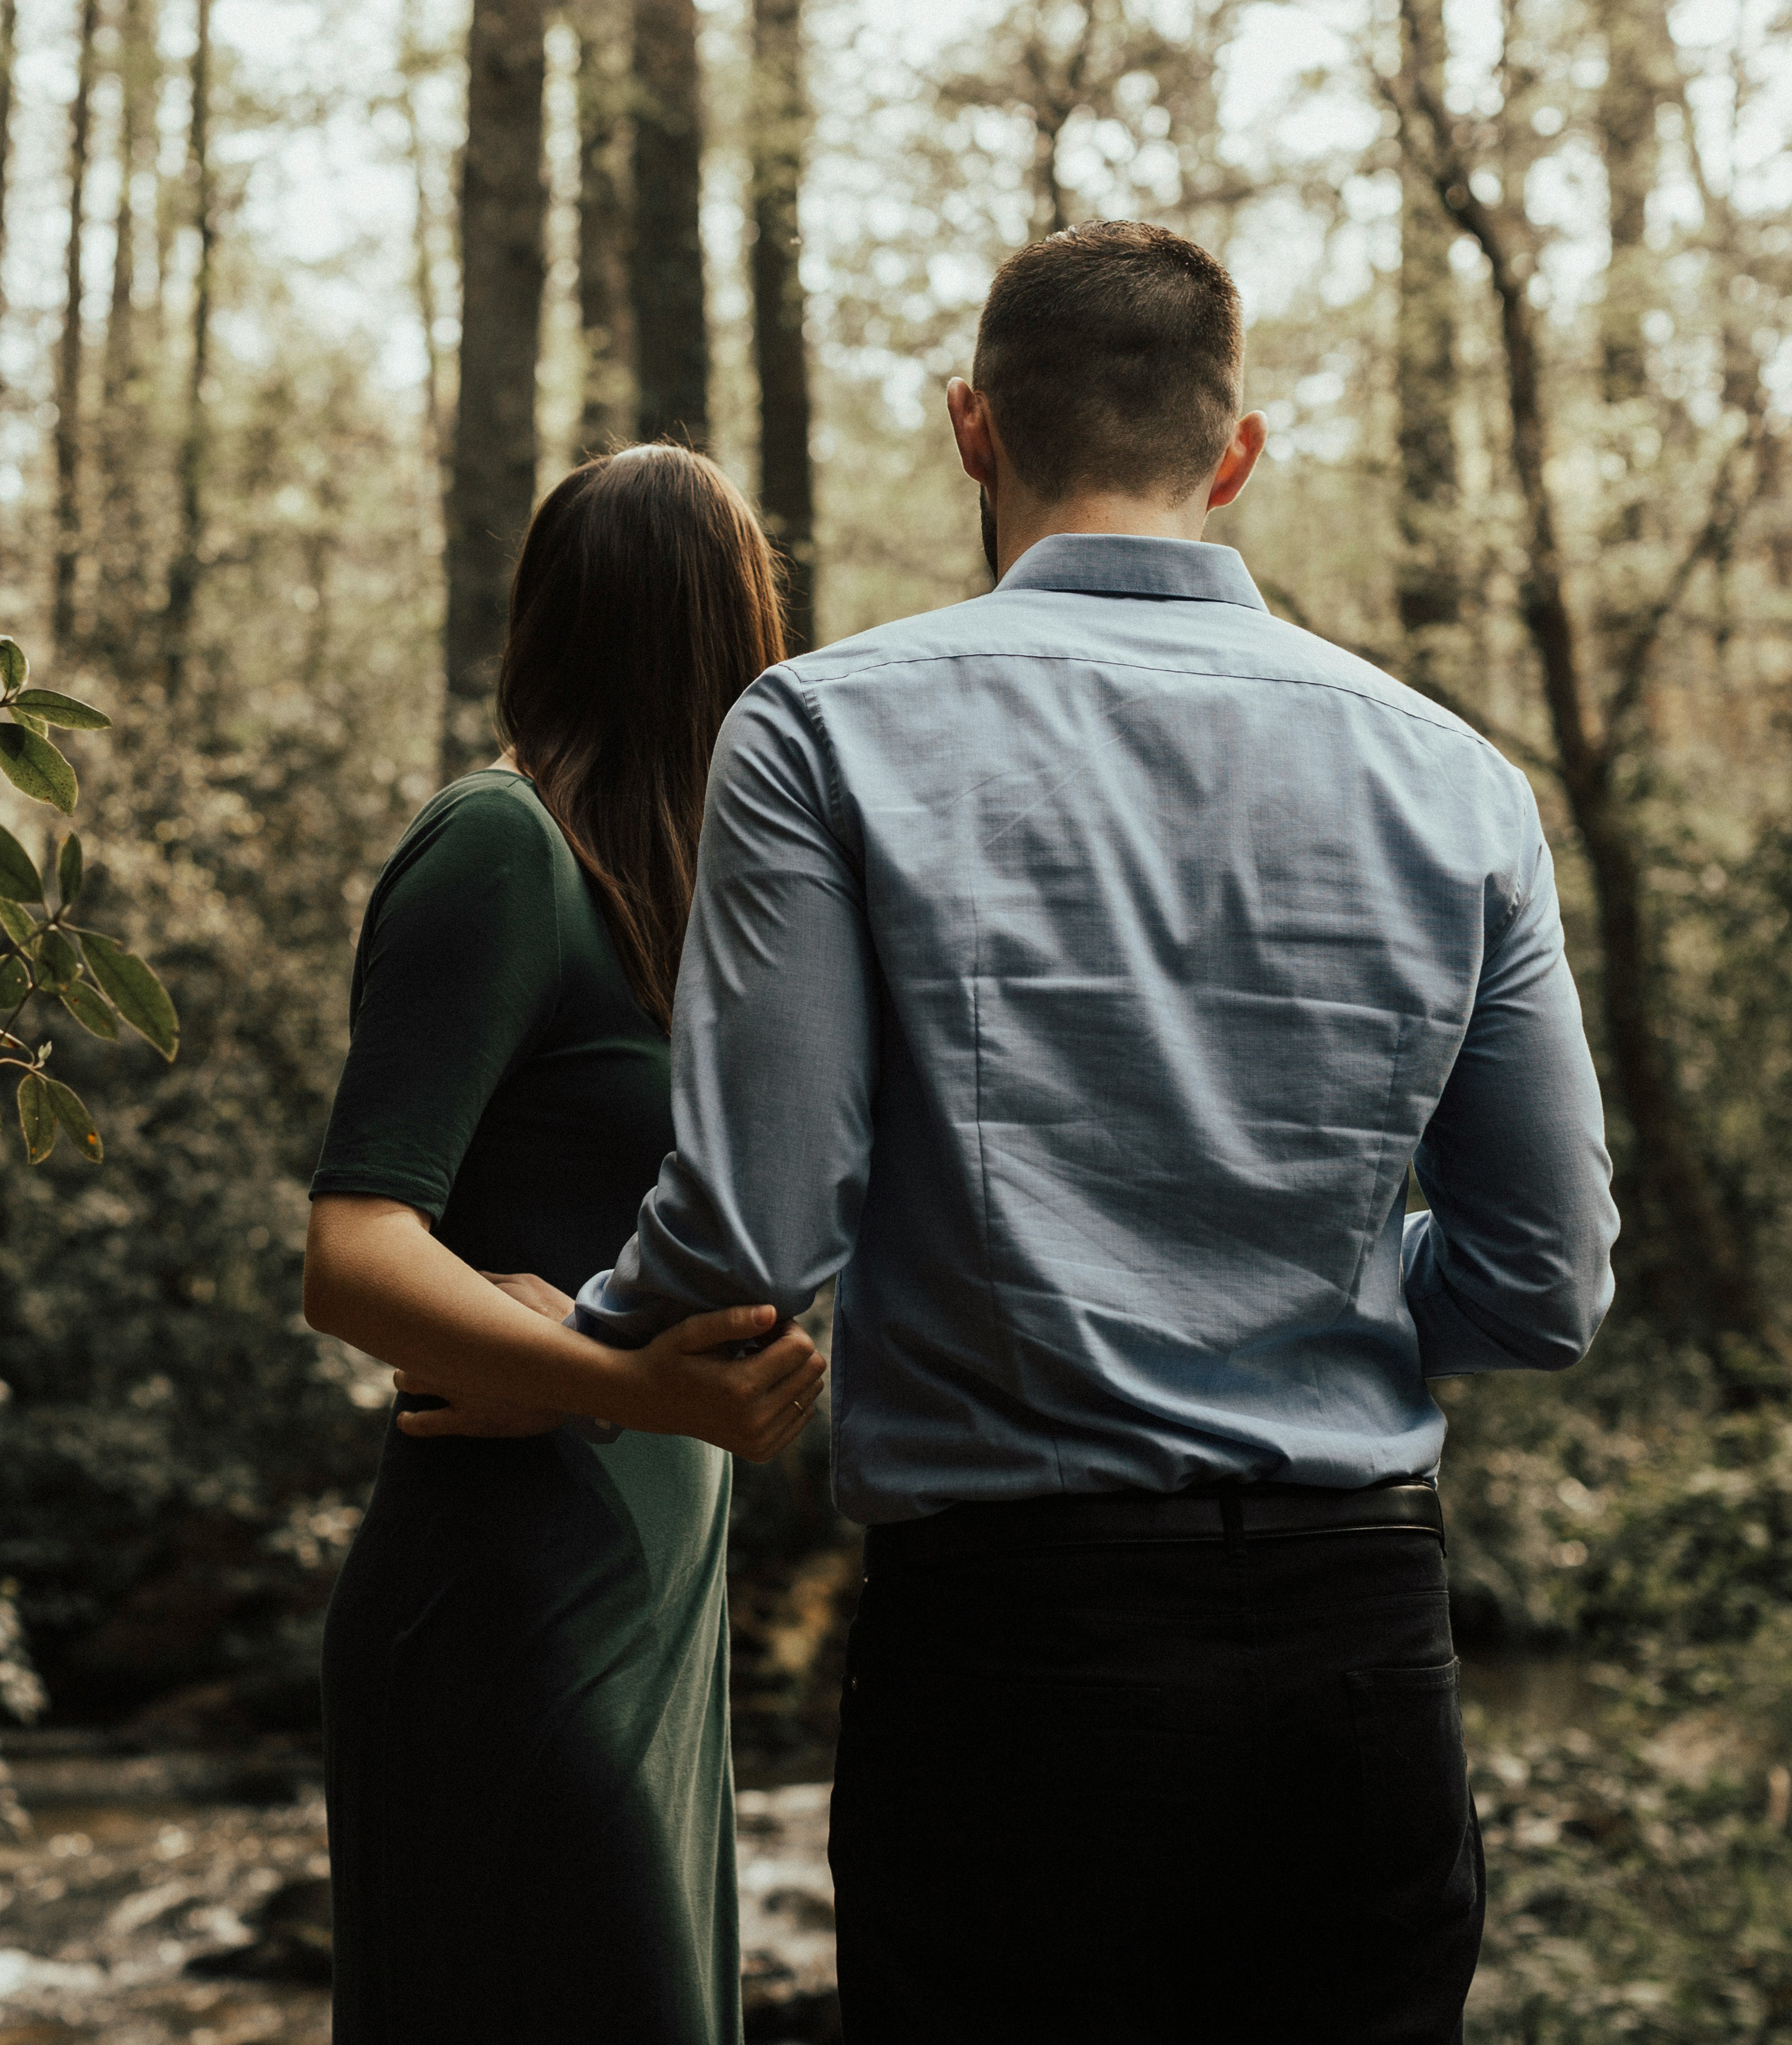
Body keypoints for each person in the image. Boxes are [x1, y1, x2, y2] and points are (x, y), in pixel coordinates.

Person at [571, 222, 1621, 2040]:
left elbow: (755, 1229)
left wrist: (559, 1336)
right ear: (1238, 453)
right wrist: (1332, 1284)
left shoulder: (821, 729)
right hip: (1358, 1644)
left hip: (1011, 1660)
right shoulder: (1458, 778)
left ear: (972, 427)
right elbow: (1547, 1284)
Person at [303, 444, 831, 2045]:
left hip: (659, 1603)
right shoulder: (499, 845)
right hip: (507, 1603)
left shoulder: (723, 911)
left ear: (545, 624)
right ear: (743, 640)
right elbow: (353, 1251)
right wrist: (616, 1377)